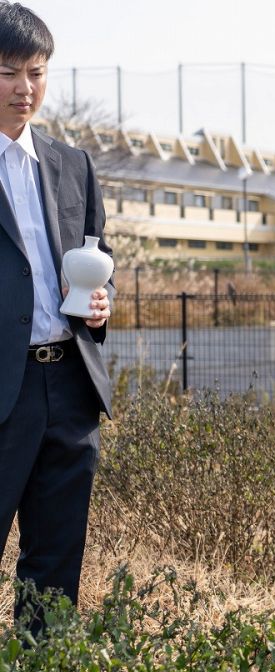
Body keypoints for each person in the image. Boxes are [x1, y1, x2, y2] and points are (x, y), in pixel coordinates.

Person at [0, 3, 113, 635]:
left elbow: (97, 255)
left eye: (36, 73)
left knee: (55, 567)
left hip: (68, 387)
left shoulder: (73, 164)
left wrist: (102, 303)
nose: (25, 88)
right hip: (2, 389)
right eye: (9, 71)